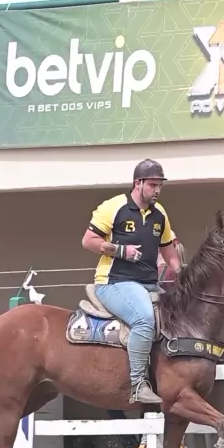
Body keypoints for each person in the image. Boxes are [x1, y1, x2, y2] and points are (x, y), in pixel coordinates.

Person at [82, 158, 181, 404]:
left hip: (149, 284)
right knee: (144, 319)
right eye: (153, 185)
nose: (157, 190)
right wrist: (120, 251)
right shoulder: (114, 207)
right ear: (138, 183)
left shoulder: (160, 214)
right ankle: (138, 384)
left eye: (160, 185)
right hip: (114, 282)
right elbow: (88, 241)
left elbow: (168, 249)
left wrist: (181, 275)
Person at [115, 232, 188, 448]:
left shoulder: (166, 273)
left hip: (166, 341)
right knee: (156, 392)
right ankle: (149, 446)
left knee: (166, 392)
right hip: (165, 338)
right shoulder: (170, 270)